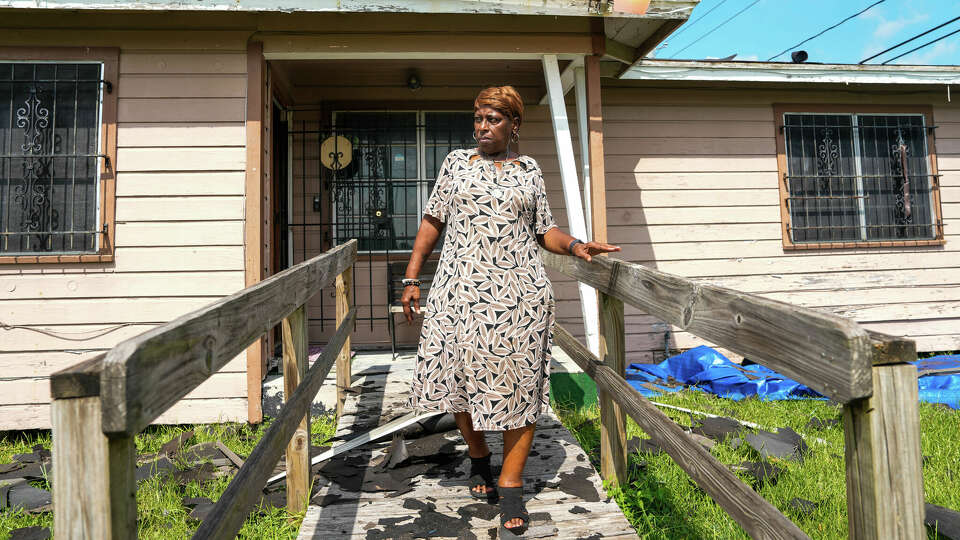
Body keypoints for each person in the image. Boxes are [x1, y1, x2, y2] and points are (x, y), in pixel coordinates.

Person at [401, 85, 620, 537]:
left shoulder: (530, 170)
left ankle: (512, 483)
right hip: (457, 294)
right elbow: (432, 221)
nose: (483, 127)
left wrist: (577, 244)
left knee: (519, 387)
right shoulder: (456, 164)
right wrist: (411, 276)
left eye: (494, 119)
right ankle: (479, 455)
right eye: (479, 118)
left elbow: (546, 231)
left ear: (513, 125)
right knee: (456, 383)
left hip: (519, 296)